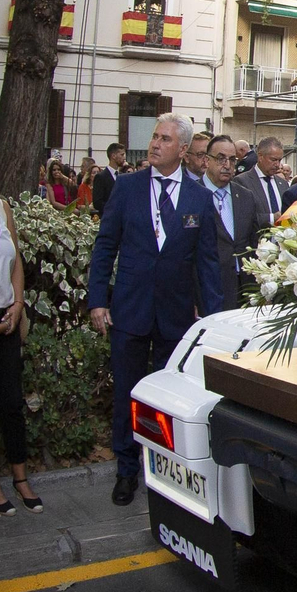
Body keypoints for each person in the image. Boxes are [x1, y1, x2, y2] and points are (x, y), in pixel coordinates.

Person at [88, 113, 223, 507]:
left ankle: (162, 469)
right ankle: (126, 471)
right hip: (129, 311)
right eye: (154, 137)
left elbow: (207, 264)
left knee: (168, 400)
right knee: (127, 395)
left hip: (175, 316)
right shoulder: (128, 187)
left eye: (164, 139)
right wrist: (98, 299)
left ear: (182, 149)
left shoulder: (199, 197)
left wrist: (212, 320)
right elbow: (105, 246)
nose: (154, 144)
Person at [0, 184, 41, 517]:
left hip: (7, 314)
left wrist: (18, 304)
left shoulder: (1, 207)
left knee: (11, 401)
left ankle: (20, 476)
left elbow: (15, 259)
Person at [203, 135, 267, 311]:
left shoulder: (245, 196)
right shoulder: (192, 194)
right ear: (207, 160)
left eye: (232, 159)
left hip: (244, 290)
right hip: (207, 290)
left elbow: (255, 243)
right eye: (220, 158)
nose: (227, 165)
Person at [239, 136, 289, 228]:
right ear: (260, 156)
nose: (277, 165)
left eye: (280, 160)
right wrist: (272, 218)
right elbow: (242, 217)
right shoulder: (242, 182)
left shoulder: (283, 183)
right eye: (273, 160)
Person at [93, 142, 124, 214]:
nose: (124, 158)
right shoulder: (101, 177)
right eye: (121, 155)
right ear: (113, 156)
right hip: (108, 217)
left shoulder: (122, 176)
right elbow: (97, 202)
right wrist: (114, 208)